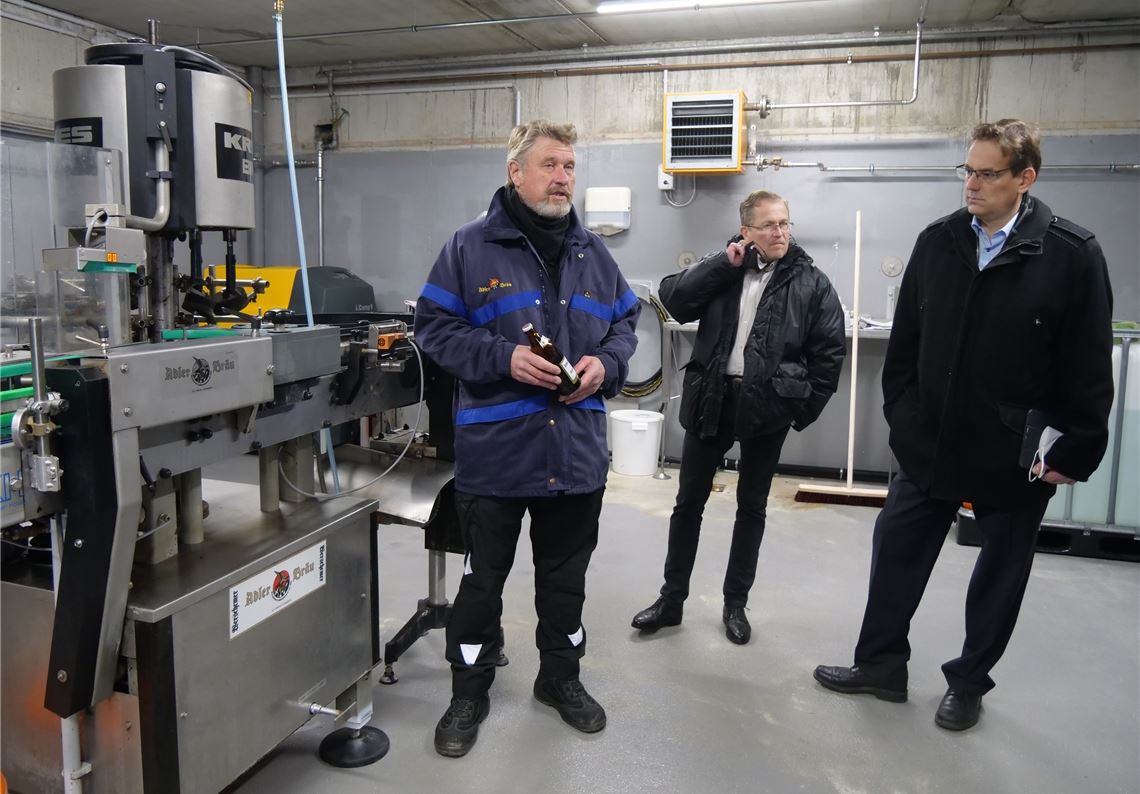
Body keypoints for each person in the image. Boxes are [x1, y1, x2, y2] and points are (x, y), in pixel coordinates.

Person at [814, 119, 1114, 731]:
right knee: (896, 552)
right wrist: (903, 419)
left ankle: (969, 682)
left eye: (987, 173)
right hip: (929, 442)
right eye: (968, 170)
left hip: (1013, 450)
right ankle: (880, 666)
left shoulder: (1070, 254)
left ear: (1025, 178)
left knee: (1000, 572)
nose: (971, 184)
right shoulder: (939, 242)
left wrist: (1076, 447)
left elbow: (1087, 366)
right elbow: (905, 350)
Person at [414, 120, 640, 757]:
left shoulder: (593, 252)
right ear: (516, 172)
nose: (563, 177)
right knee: (483, 583)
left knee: (565, 583)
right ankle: (469, 688)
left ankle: (560, 679)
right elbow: (432, 328)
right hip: (497, 454)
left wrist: (608, 365)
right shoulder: (468, 248)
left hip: (575, 455)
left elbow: (625, 325)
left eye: (570, 165)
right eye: (550, 164)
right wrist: (502, 358)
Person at [631, 189, 845, 645]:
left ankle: (735, 604)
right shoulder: (724, 269)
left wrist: (796, 410)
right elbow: (673, 298)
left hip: (767, 409)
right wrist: (719, 264)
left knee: (752, 507)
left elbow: (829, 356)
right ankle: (672, 601)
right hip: (712, 398)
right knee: (688, 504)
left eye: (785, 223)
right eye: (769, 225)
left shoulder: (811, 282)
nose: (780, 232)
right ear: (747, 231)